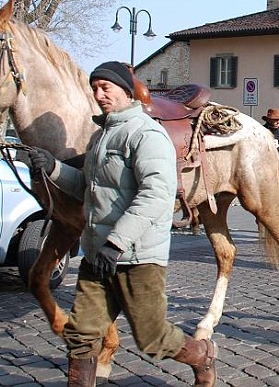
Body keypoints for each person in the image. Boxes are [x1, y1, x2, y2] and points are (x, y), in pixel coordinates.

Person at [27, 61, 217, 387]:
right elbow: (87, 187)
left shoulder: (146, 134)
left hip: (138, 259)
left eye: (106, 88)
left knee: (152, 338)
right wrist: (55, 168)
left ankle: (202, 354)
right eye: (95, 89)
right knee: (81, 336)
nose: (99, 95)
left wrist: (116, 243)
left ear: (126, 92)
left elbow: (157, 195)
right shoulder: (100, 137)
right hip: (97, 256)